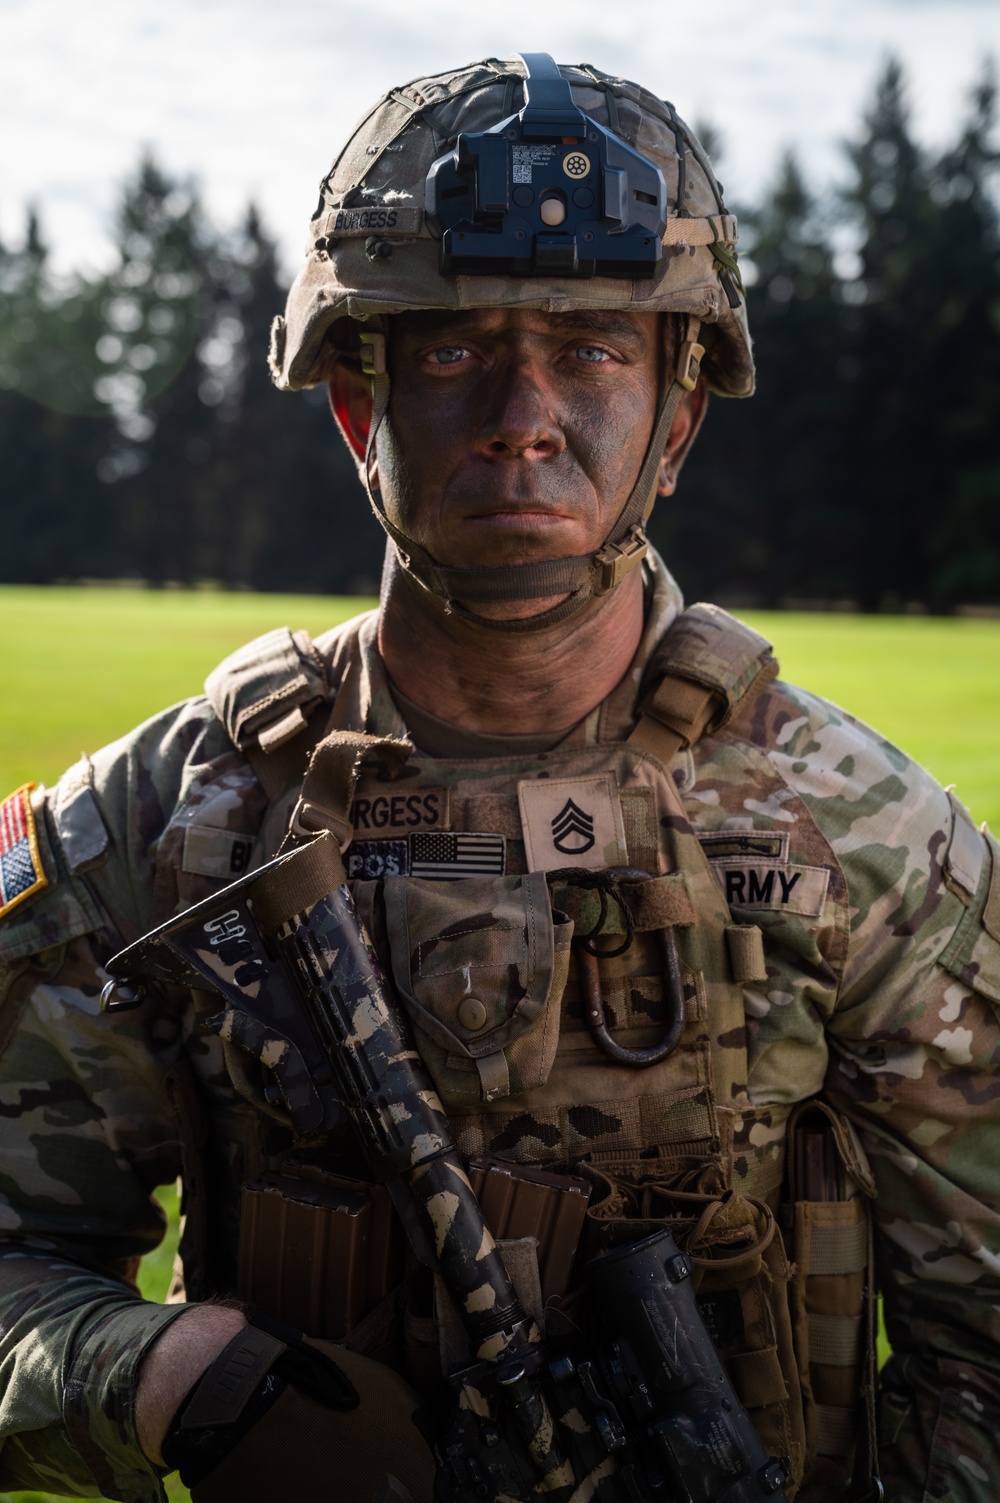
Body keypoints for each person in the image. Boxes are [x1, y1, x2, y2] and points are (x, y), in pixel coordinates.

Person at [0, 52, 998, 1503]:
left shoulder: (860, 834)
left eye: (593, 349)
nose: (523, 415)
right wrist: (170, 1381)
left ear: (676, 419)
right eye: (456, 351)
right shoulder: (158, 824)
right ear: (362, 409)